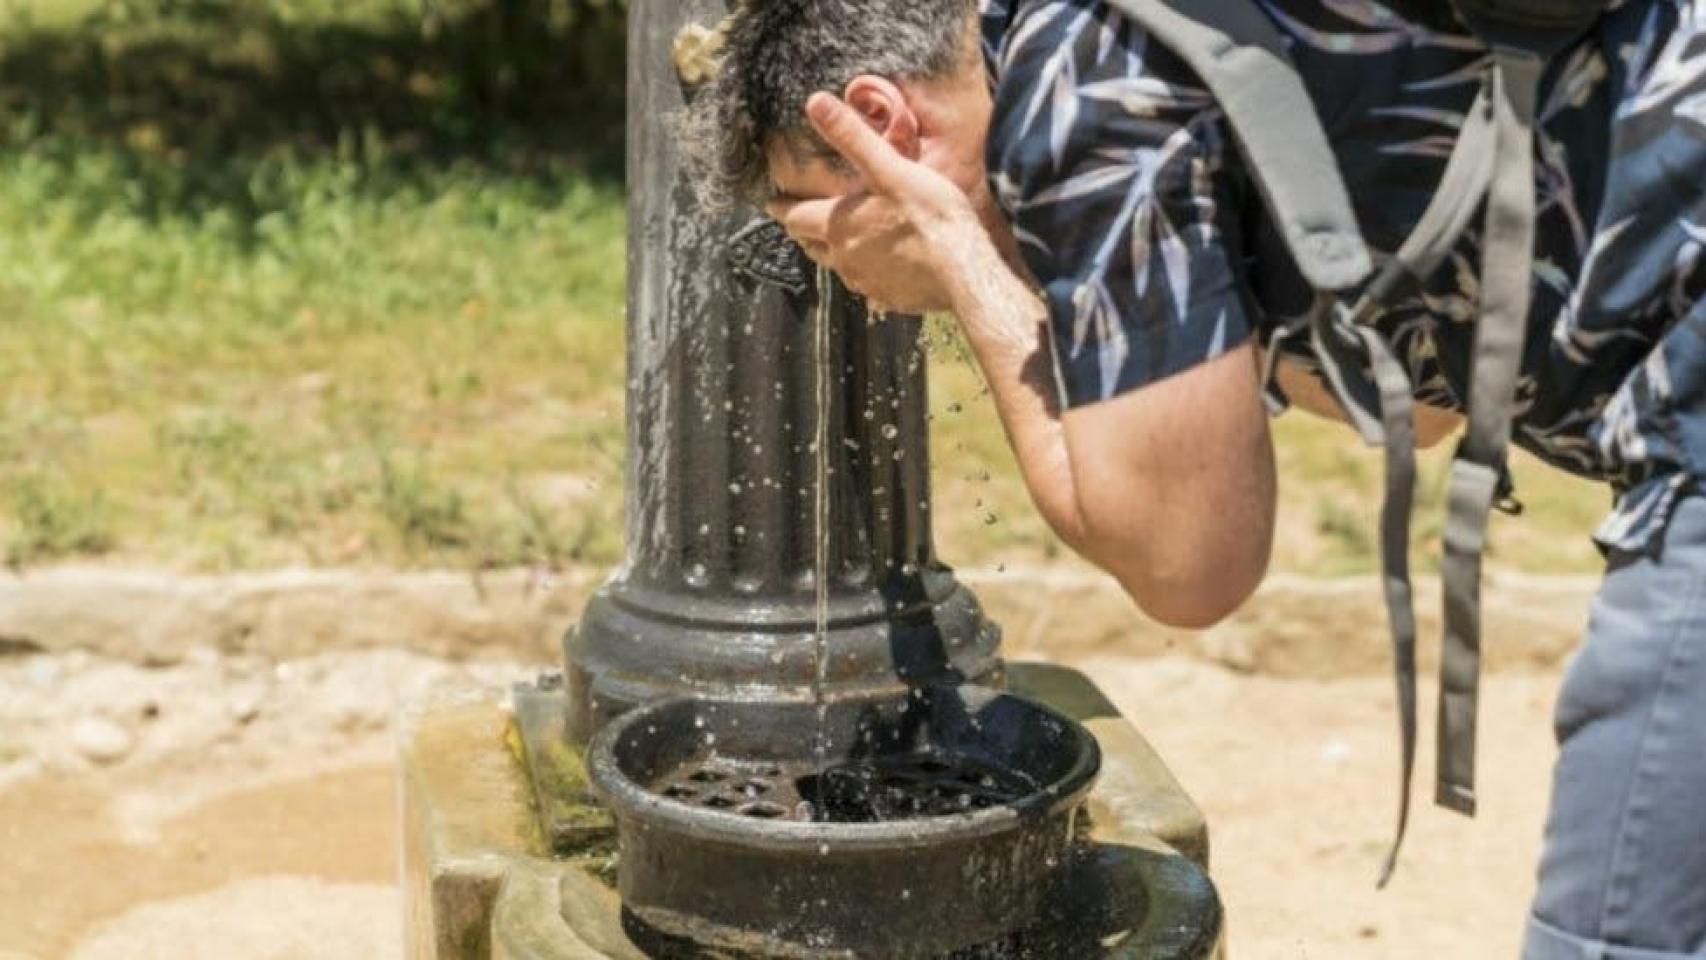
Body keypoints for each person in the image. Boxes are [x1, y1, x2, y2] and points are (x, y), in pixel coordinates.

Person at [680, 0, 1706, 956]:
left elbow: (1189, 566)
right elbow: (1422, 402)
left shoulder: (1074, 87)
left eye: (815, 221)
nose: (839, 268)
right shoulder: (1150, 43)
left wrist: (956, 251)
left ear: (878, 123)